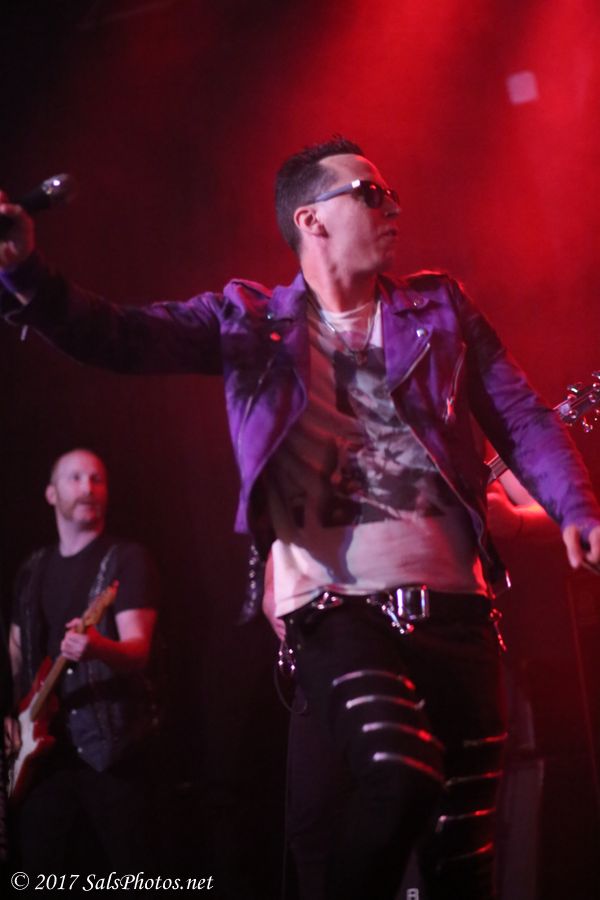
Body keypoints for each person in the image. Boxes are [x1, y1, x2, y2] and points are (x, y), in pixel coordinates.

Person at [0, 136, 599, 898]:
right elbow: (119, 336)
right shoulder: (250, 320)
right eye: (371, 194)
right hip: (338, 611)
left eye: (391, 194)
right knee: (399, 775)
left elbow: (521, 414)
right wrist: (25, 270)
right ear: (311, 219)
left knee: (464, 858)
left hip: (460, 611)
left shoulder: (440, 308)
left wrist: (578, 508)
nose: (393, 207)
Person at [3, 449, 159, 872]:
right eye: (75, 478)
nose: (88, 488)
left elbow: (139, 649)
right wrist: (11, 715)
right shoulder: (32, 568)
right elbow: (16, 651)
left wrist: (97, 647)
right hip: (41, 757)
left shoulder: (125, 561)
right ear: (51, 493)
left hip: (109, 754)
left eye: (97, 479)